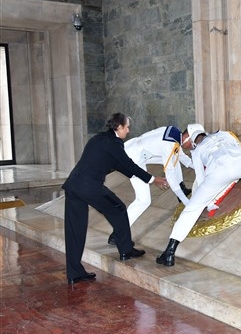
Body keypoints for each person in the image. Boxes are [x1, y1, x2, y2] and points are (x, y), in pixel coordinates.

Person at [156, 124, 241, 266]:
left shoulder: (197, 151)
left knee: (191, 210)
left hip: (217, 175)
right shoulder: (224, 134)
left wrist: (207, 199)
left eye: (186, 143)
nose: (186, 146)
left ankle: (169, 252)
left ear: (192, 140)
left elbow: (200, 178)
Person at [62, 113, 168, 284]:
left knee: (75, 230)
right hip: (90, 187)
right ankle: (126, 249)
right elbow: (128, 165)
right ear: (118, 127)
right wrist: (153, 179)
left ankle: (74, 272)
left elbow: (118, 164)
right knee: (118, 209)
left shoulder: (100, 138)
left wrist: (137, 174)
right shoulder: (114, 143)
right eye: (127, 127)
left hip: (73, 186)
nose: (128, 130)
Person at [106, 125, 194, 245]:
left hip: (139, 151)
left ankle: (182, 190)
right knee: (143, 200)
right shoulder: (169, 145)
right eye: (193, 143)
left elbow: (182, 157)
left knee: (175, 158)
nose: (193, 147)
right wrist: (186, 202)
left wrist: (205, 168)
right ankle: (118, 234)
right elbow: (170, 174)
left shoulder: (174, 133)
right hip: (133, 157)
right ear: (187, 137)